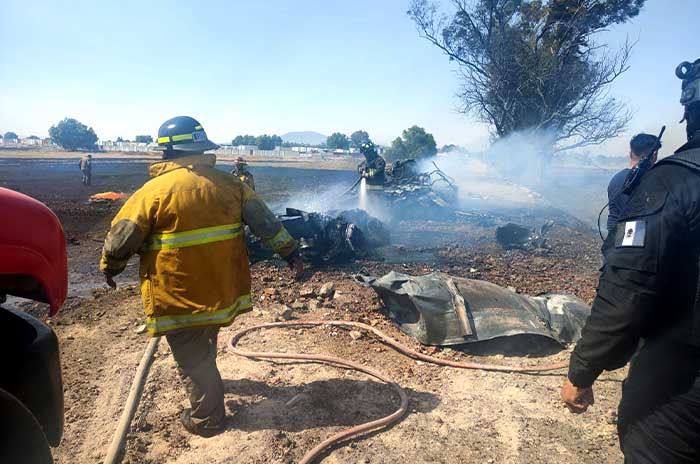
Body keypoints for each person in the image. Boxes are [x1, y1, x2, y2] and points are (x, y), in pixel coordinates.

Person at [99, 116, 304, 437]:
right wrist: (291, 253)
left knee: (192, 359)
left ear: (166, 153)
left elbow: (120, 241)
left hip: (179, 295)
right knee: (205, 340)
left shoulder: (152, 192)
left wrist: (110, 268)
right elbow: (267, 224)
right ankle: (210, 382)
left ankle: (208, 420)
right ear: (201, 148)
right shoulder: (231, 185)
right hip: (223, 290)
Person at [561, 58, 700, 463]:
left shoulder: (674, 181)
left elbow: (628, 287)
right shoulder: (657, 179)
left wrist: (583, 368)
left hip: (680, 380)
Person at [606, 134, 660, 231]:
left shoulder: (615, 179)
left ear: (630, 153)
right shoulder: (652, 180)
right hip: (637, 237)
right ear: (654, 154)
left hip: (613, 235)